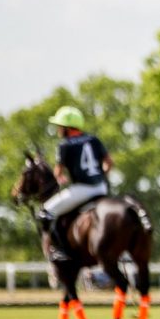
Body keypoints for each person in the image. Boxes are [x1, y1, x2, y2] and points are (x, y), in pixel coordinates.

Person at [37, 106, 112, 262]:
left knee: (45, 212)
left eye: (60, 126)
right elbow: (109, 164)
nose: (58, 129)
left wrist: (61, 179)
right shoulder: (93, 139)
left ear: (67, 127)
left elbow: (58, 172)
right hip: (101, 188)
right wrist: (101, 176)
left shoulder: (65, 144)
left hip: (82, 189)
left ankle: (59, 251)